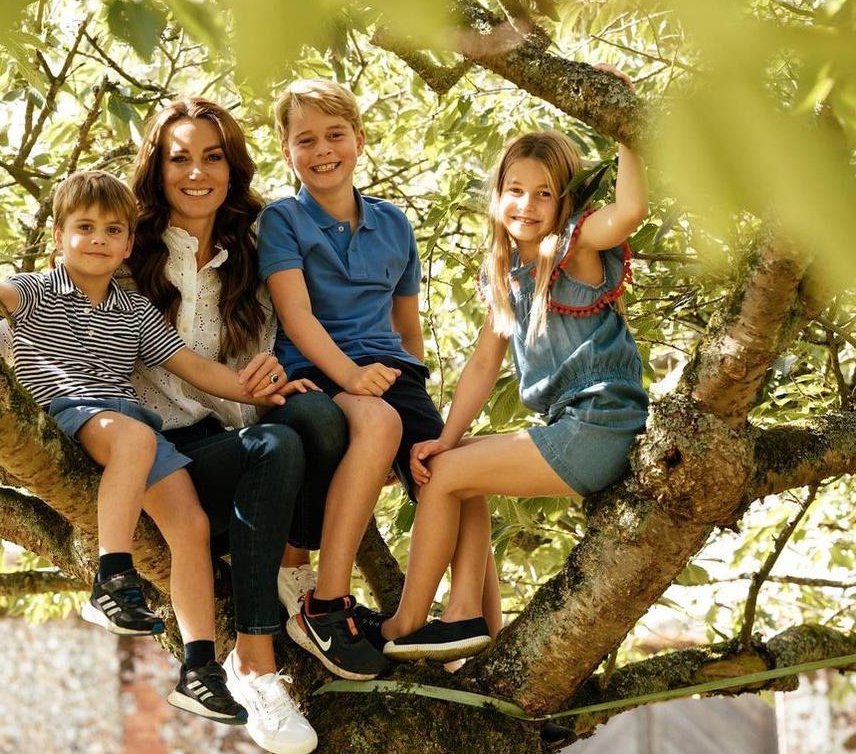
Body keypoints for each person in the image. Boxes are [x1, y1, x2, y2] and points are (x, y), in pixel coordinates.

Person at [0, 170, 315, 728]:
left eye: (112, 229)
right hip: (73, 412)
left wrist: (263, 388)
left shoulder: (135, 310)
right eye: (84, 227)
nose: (98, 239)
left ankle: (199, 668)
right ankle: (111, 579)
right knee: (139, 434)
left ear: (129, 244)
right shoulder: (37, 290)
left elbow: (195, 368)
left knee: (187, 524)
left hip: (128, 428)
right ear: (59, 237)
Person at [379, 65, 649, 662]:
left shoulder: (572, 248)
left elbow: (628, 212)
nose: (526, 204)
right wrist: (445, 437)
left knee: (448, 478)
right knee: (457, 468)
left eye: (544, 193)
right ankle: (471, 627)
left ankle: (405, 624)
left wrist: (627, 121)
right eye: (515, 190)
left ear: (565, 201)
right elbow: (481, 365)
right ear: (498, 195)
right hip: (567, 428)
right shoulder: (504, 272)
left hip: (598, 426)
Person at [257, 79, 500, 681]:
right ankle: (327, 601)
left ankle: (472, 622)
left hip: (392, 373)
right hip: (318, 368)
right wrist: (350, 376)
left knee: (456, 468)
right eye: (305, 140)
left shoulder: (394, 224)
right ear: (287, 152)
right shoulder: (282, 221)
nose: (322, 150)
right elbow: (297, 316)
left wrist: (419, 395)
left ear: (360, 141)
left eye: (335, 135)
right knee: (381, 421)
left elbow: (406, 327)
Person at [126, 98, 347, 754]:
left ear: (233, 166)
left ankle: (291, 571)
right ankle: (252, 664)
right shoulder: (129, 248)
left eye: (212, 156)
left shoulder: (254, 248)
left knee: (314, 415)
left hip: (247, 446)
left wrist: (278, 377)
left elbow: (283, 342)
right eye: (180, 158)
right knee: (273, 445)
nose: (197, 172)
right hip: (171, 460)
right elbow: (54, 297)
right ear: (157, 170)